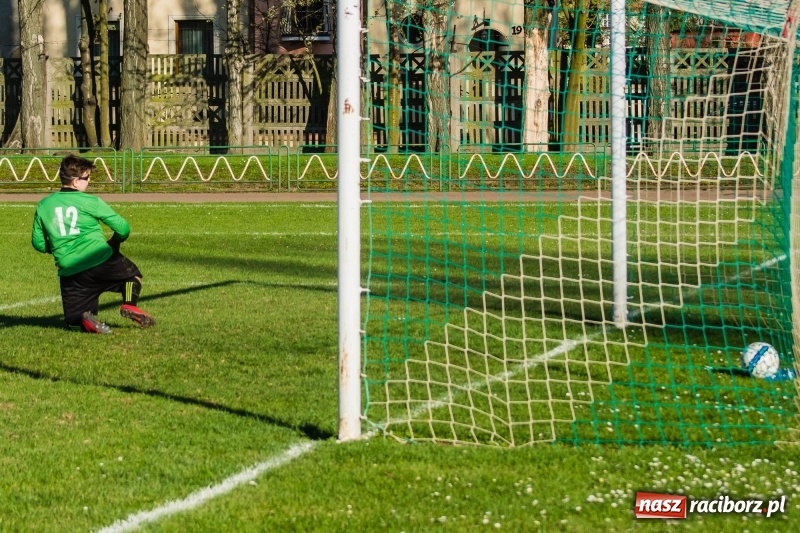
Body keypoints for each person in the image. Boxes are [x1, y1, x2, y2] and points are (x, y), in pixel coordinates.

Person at [31, 153, 155, 334]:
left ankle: (85, 321)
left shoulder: (44, 205)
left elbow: (38, 243)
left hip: (71, 271)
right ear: (75, 181)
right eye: (87, 178)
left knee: (73, 324)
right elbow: (123, 228)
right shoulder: (90, 201)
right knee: (132, 277)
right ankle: (129, 305)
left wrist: (59, 248)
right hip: (100, 259)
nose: (88, 181)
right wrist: (114, 241)